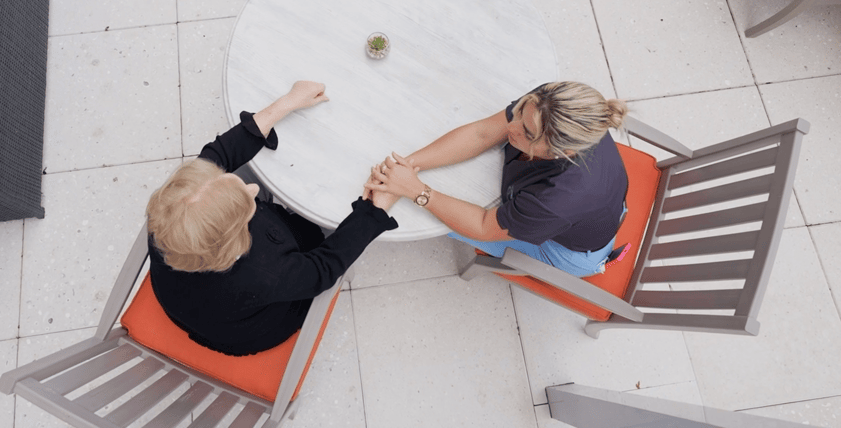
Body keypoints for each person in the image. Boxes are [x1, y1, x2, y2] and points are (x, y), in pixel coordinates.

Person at [146, 81, 399, 356]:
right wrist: (374, 210)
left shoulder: (172, 218)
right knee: (322, 227)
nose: (253, 190)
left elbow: (216, 156)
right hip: (249, 329)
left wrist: (287, 102)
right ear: (236, 242)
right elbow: (321, 270)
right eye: (247, 206)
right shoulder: (264, 273)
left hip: (184, 300)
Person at [366, 81, 628, 278]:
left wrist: (415, 191)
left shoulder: (556, 201)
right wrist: (405, 168)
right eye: (519, 112)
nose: (510, 128)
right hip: (592, 210)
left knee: (427, 218)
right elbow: (482, 133)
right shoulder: (551, 103)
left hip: (568, 250)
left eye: (526, 132)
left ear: (563, 152)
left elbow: (482, 225)